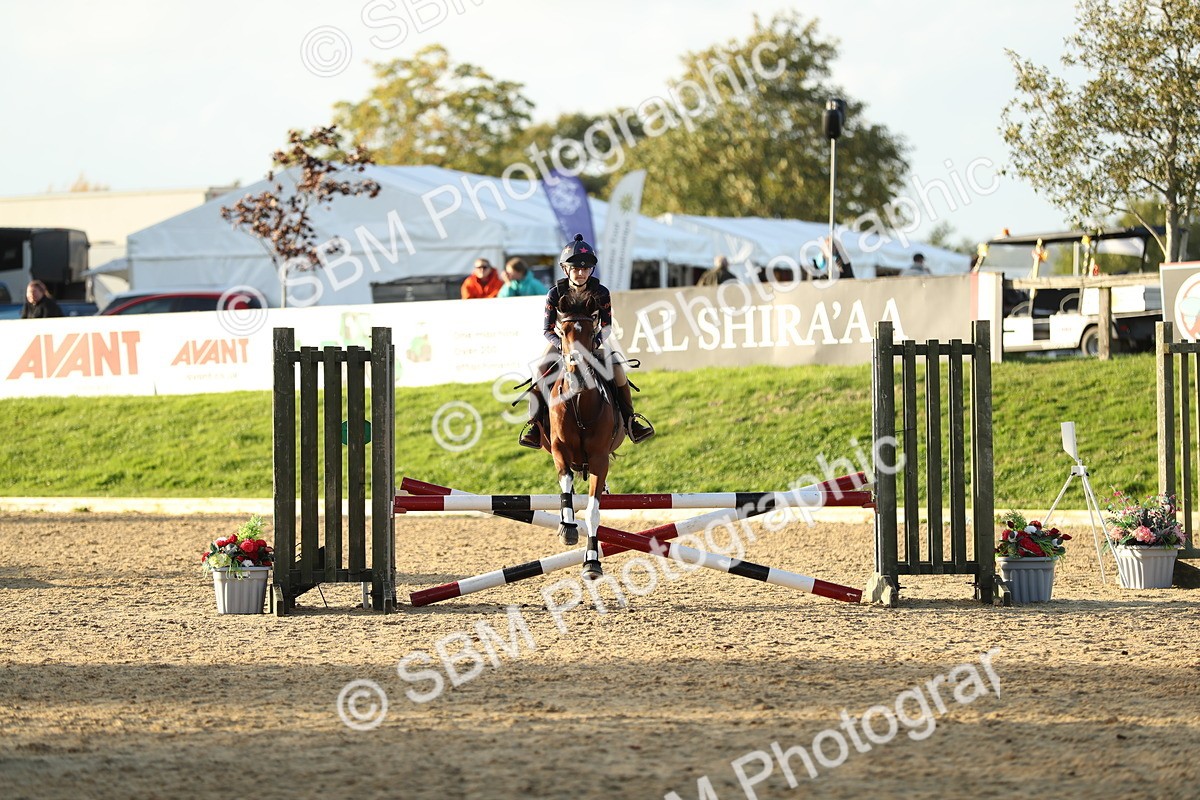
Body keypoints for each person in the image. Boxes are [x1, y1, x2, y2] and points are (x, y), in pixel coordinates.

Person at [518, 234, 654, 448]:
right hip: (562, 343)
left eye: (585, 269)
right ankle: (535, 425)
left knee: (618, 369)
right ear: (566, 269)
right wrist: (564, 347)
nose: (581, 273)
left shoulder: (601, 292)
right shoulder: (555, 294)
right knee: (540, 369)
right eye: (575, 269)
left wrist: (592, 345)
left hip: (593, 343)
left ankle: (630, 421)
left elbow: (607, 326)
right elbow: (547, 329)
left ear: (591, 270)